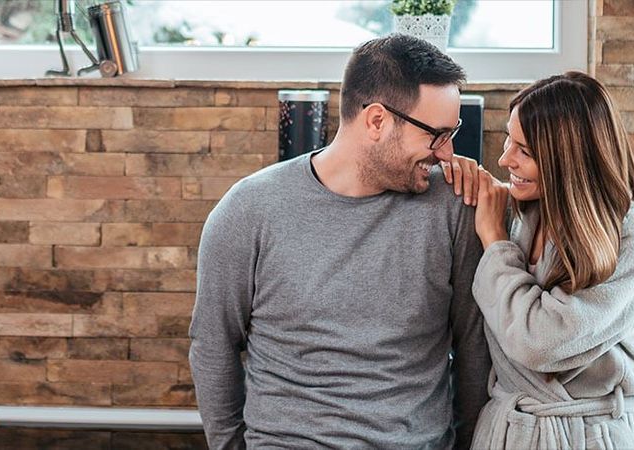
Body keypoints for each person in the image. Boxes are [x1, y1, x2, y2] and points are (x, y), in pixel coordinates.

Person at [189, 34, 490, 449]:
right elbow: (213, 343)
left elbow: (474, 346)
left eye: (450, 133)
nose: (447, 152)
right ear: (377, 121)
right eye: (436, 135)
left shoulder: (452, 206)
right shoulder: (249, 210)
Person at [463, 71, 634, 449]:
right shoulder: (520, 213)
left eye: (524, 150)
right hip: (507, 432)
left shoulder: (633, 236)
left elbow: (541, 342)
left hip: (591, 437)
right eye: (509, 138)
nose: (505, 158)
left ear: (568, 159)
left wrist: (495, 244)